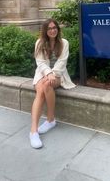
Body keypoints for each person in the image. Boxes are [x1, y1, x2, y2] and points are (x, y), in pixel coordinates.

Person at [29, 18, 76, 149]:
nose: (52, 30)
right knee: (41, 90)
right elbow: (40, 62)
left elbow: (62, 62)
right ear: (45, 30)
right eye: (49, 28)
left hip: (59, 74)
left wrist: (52, 74)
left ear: (58, 29)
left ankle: (50, 120)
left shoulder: (64, 43)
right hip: (42, 73)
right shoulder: (40, 42)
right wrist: (48, 73)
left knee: (46, 85)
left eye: (54, 28)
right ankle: (34, 131)